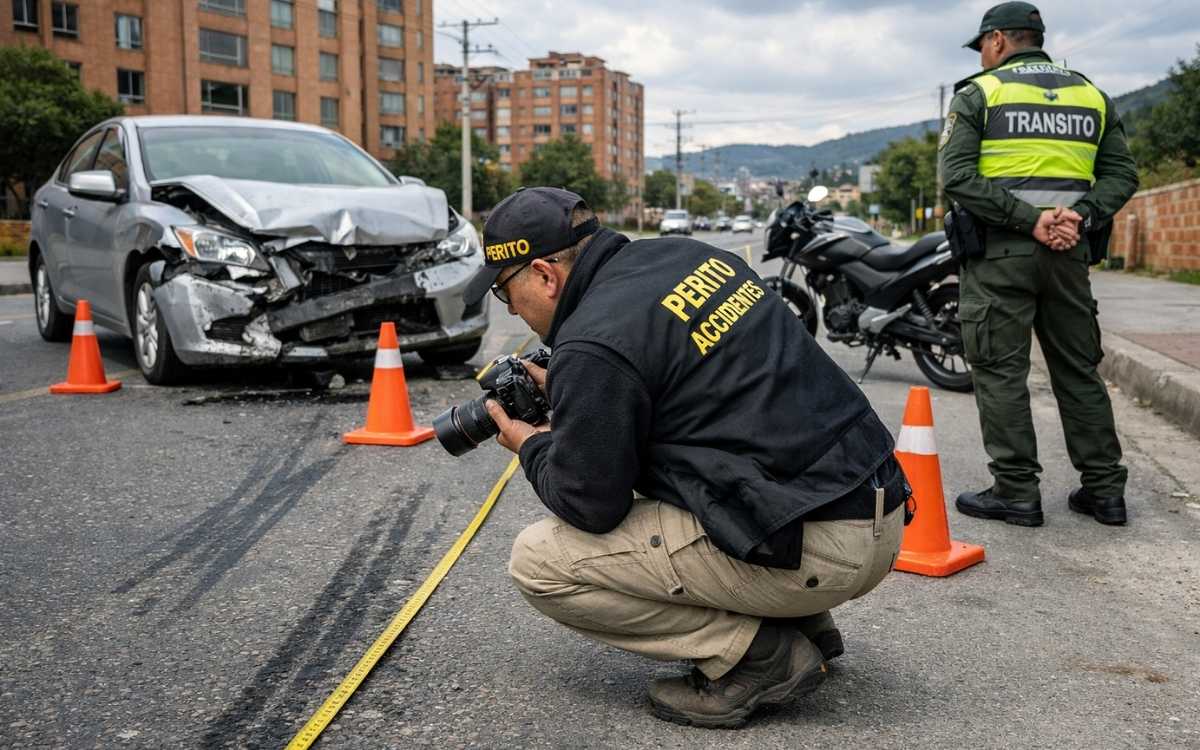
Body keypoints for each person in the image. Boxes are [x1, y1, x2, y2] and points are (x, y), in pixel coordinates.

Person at [461, 186, 909, 728]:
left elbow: (590, 504)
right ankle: (806, 626)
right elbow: (699, 385)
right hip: (876, 509)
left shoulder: (591, 345)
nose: (510, 308)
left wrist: (531, 444)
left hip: (824, 550)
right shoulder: (691, 256)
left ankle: (757, 655)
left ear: (544, 275)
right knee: (693, 465)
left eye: (506, 293)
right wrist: (582, 395)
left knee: (539, 562)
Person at [940, 1, 1139, 527]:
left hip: (1002, 256)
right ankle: (1104, 492)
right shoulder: (1091, 95)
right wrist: (1077, 216)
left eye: (983, 45)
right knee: (1078, 371)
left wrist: (1029, 220)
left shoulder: (981, 93)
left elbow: (956, 177)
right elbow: (1122, 175)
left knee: (1001, 371)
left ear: (999, 40)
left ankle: (1016, 492)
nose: (983, 55)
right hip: (1069, 253)